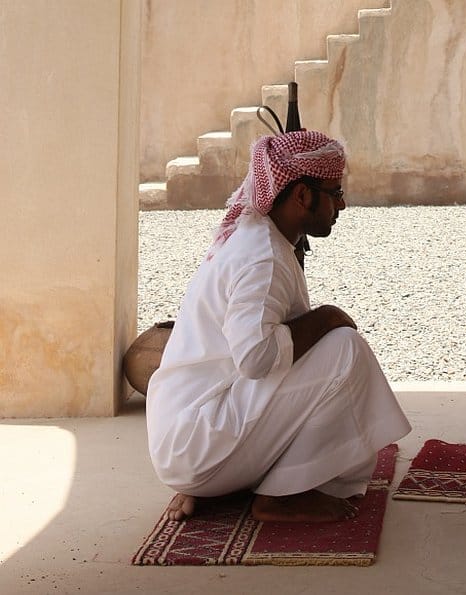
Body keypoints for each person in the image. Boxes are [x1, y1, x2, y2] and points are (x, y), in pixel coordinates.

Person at [146, 130, 411, 523]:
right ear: (302, 195)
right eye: (335, 191)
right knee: (345, 350)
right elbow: (255, 359)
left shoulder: (257, 236)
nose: (343, 203)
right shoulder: (262, 257)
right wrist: (328, 317)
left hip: (191, 437)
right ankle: (281, 497)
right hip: (197, 441)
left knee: (328, 348)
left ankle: (226, 482)